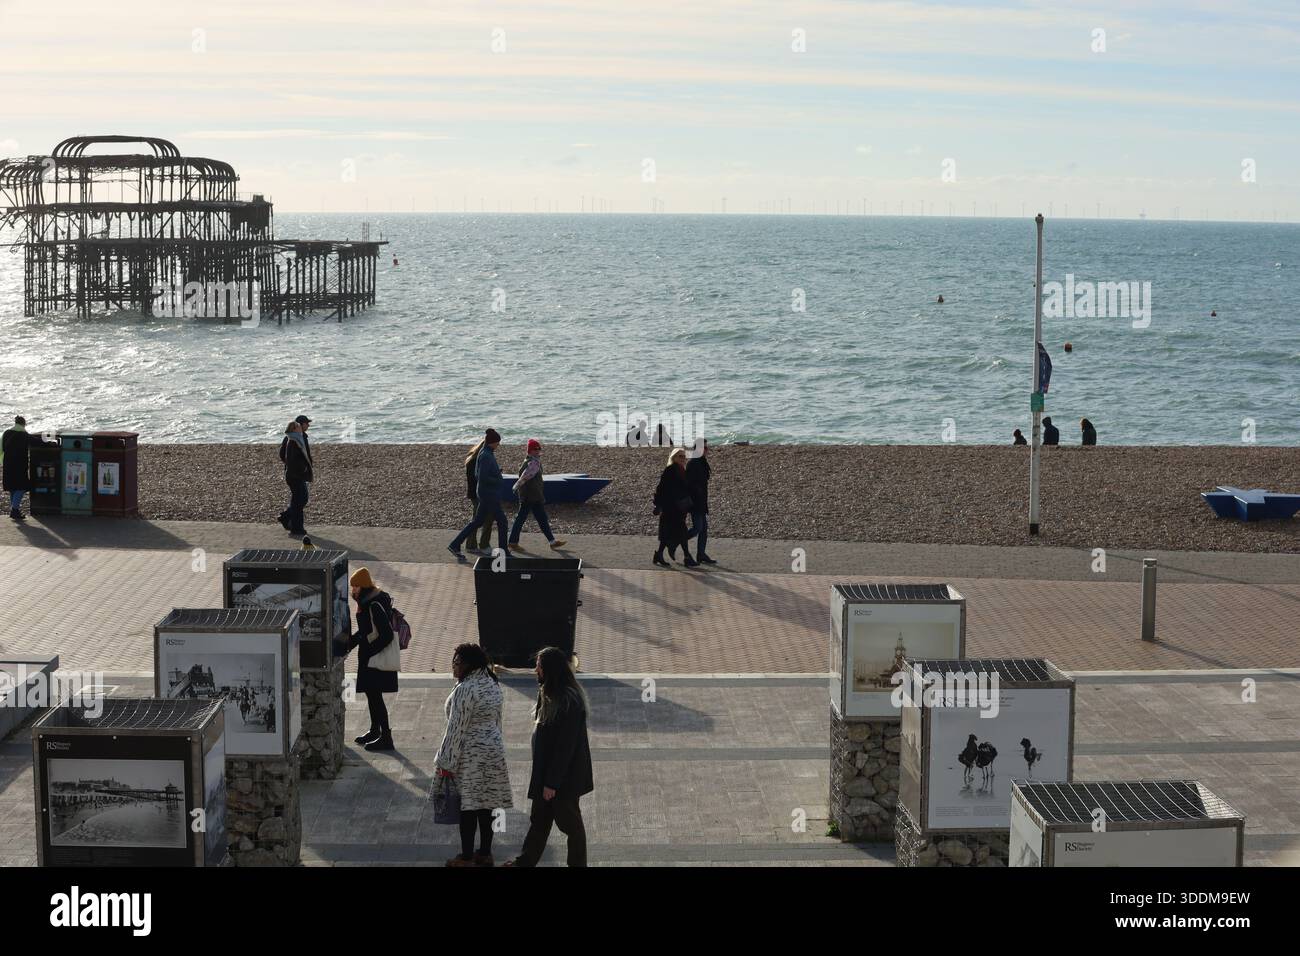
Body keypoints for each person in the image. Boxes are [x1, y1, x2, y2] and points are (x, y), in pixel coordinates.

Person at [505, 647, 594, 868]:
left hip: (562, 781)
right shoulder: (547, 691)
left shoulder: (568, 701)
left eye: (539, 666)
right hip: (546, 774)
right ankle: (523, 863)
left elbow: (565, 748)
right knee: (539, 822)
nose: (535, 669)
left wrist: (551, 783)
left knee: (571, 826)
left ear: (549, 670)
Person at [434, 643, 513, 867]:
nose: (453, 666)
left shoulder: (465, 689)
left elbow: (456, 729)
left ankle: (467, 857)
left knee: (467, 806)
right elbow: (498, 720)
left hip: (471, 754)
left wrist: (445, 762)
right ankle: (485, 854)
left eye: (457, 663)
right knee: (487, 803)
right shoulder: (492, 683)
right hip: (493, 750)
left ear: (468, 665)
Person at [335, 567, 399, 752]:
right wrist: (350, 643)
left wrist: (370, 651)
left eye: (355, 587)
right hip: (369, 656)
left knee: (376, 696)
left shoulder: (373, 604)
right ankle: (374, 730)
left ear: (363, 586)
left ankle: (386, 737)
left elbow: (385, 635)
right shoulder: (367, 600)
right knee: (372, 695)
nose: (352, 590)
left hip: (374, 658)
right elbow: (365, 631)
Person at [448, 429, 511, 558]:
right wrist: (498, 478)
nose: (498, 445)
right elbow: (481, 477)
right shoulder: (486, 455)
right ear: (492, 442)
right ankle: (504, 552)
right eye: (497, 443)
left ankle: (455, 544)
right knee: (502, 522)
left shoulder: (486, 453)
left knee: (477, 522)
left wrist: (495, 474)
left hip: (486, 494)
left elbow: (482, 474)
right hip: (488, 495)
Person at [509, 439, 566, 551]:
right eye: (536, 449)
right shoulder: (532, 463)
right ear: (530, 450)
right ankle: (512, 542)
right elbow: (524, 477)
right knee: (521, 519)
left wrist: (517, 487)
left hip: (534, 496)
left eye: (539, 448)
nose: (538, 450)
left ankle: (552, 541)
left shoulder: (533, 461)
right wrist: (515, 487)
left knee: (542, 519)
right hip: (529, 497)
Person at [2, 415, 53, 521]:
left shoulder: (6, 433)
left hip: (7, 464)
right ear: (23, 424)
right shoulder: (24, 435)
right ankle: (14, 510)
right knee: (22, 487)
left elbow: (1, 447)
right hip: (19, 465)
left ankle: (14, 510)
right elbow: (37, 442)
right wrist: (51, 443)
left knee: (13, 487)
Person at [652, 447, 696, 568]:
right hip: (670, 508)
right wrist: (658, 505)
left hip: (679, 508)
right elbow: (660, 488)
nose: (683, 458)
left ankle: (659, 554)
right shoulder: (670, 470)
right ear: (674, 457)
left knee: (670, 533)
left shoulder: (682, 469)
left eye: (684, 456)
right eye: (680, 456)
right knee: (678, 532)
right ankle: (687, 557)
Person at [278, 421, 312, 536]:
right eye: (298, 427)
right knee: (299, 501)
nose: (301, 429)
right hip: (295, 476)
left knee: (300, 500)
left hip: (295, 475)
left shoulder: (296, 438)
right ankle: (296, 527)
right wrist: (302, 469)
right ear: (294, 429)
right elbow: (291, 459)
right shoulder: (293, 440)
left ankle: (291, 521)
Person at [684, 439, 715, 563]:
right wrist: (696, 492)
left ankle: (701, 554)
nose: (707, 451)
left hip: (702, 501)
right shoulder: (693, 463)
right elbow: (689, 484)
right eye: (705, 448)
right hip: (695, 502)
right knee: (698, 528)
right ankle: (677, 539)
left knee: (704, 529)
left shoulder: (702, 462)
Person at [462, 439, 494, 554]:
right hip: (480, 494)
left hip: (473, 493)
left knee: (476, 519)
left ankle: (471, 544)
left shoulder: (471, 458)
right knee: (487, 518)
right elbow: (481, 478)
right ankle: (483, 545)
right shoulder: (479, 460)